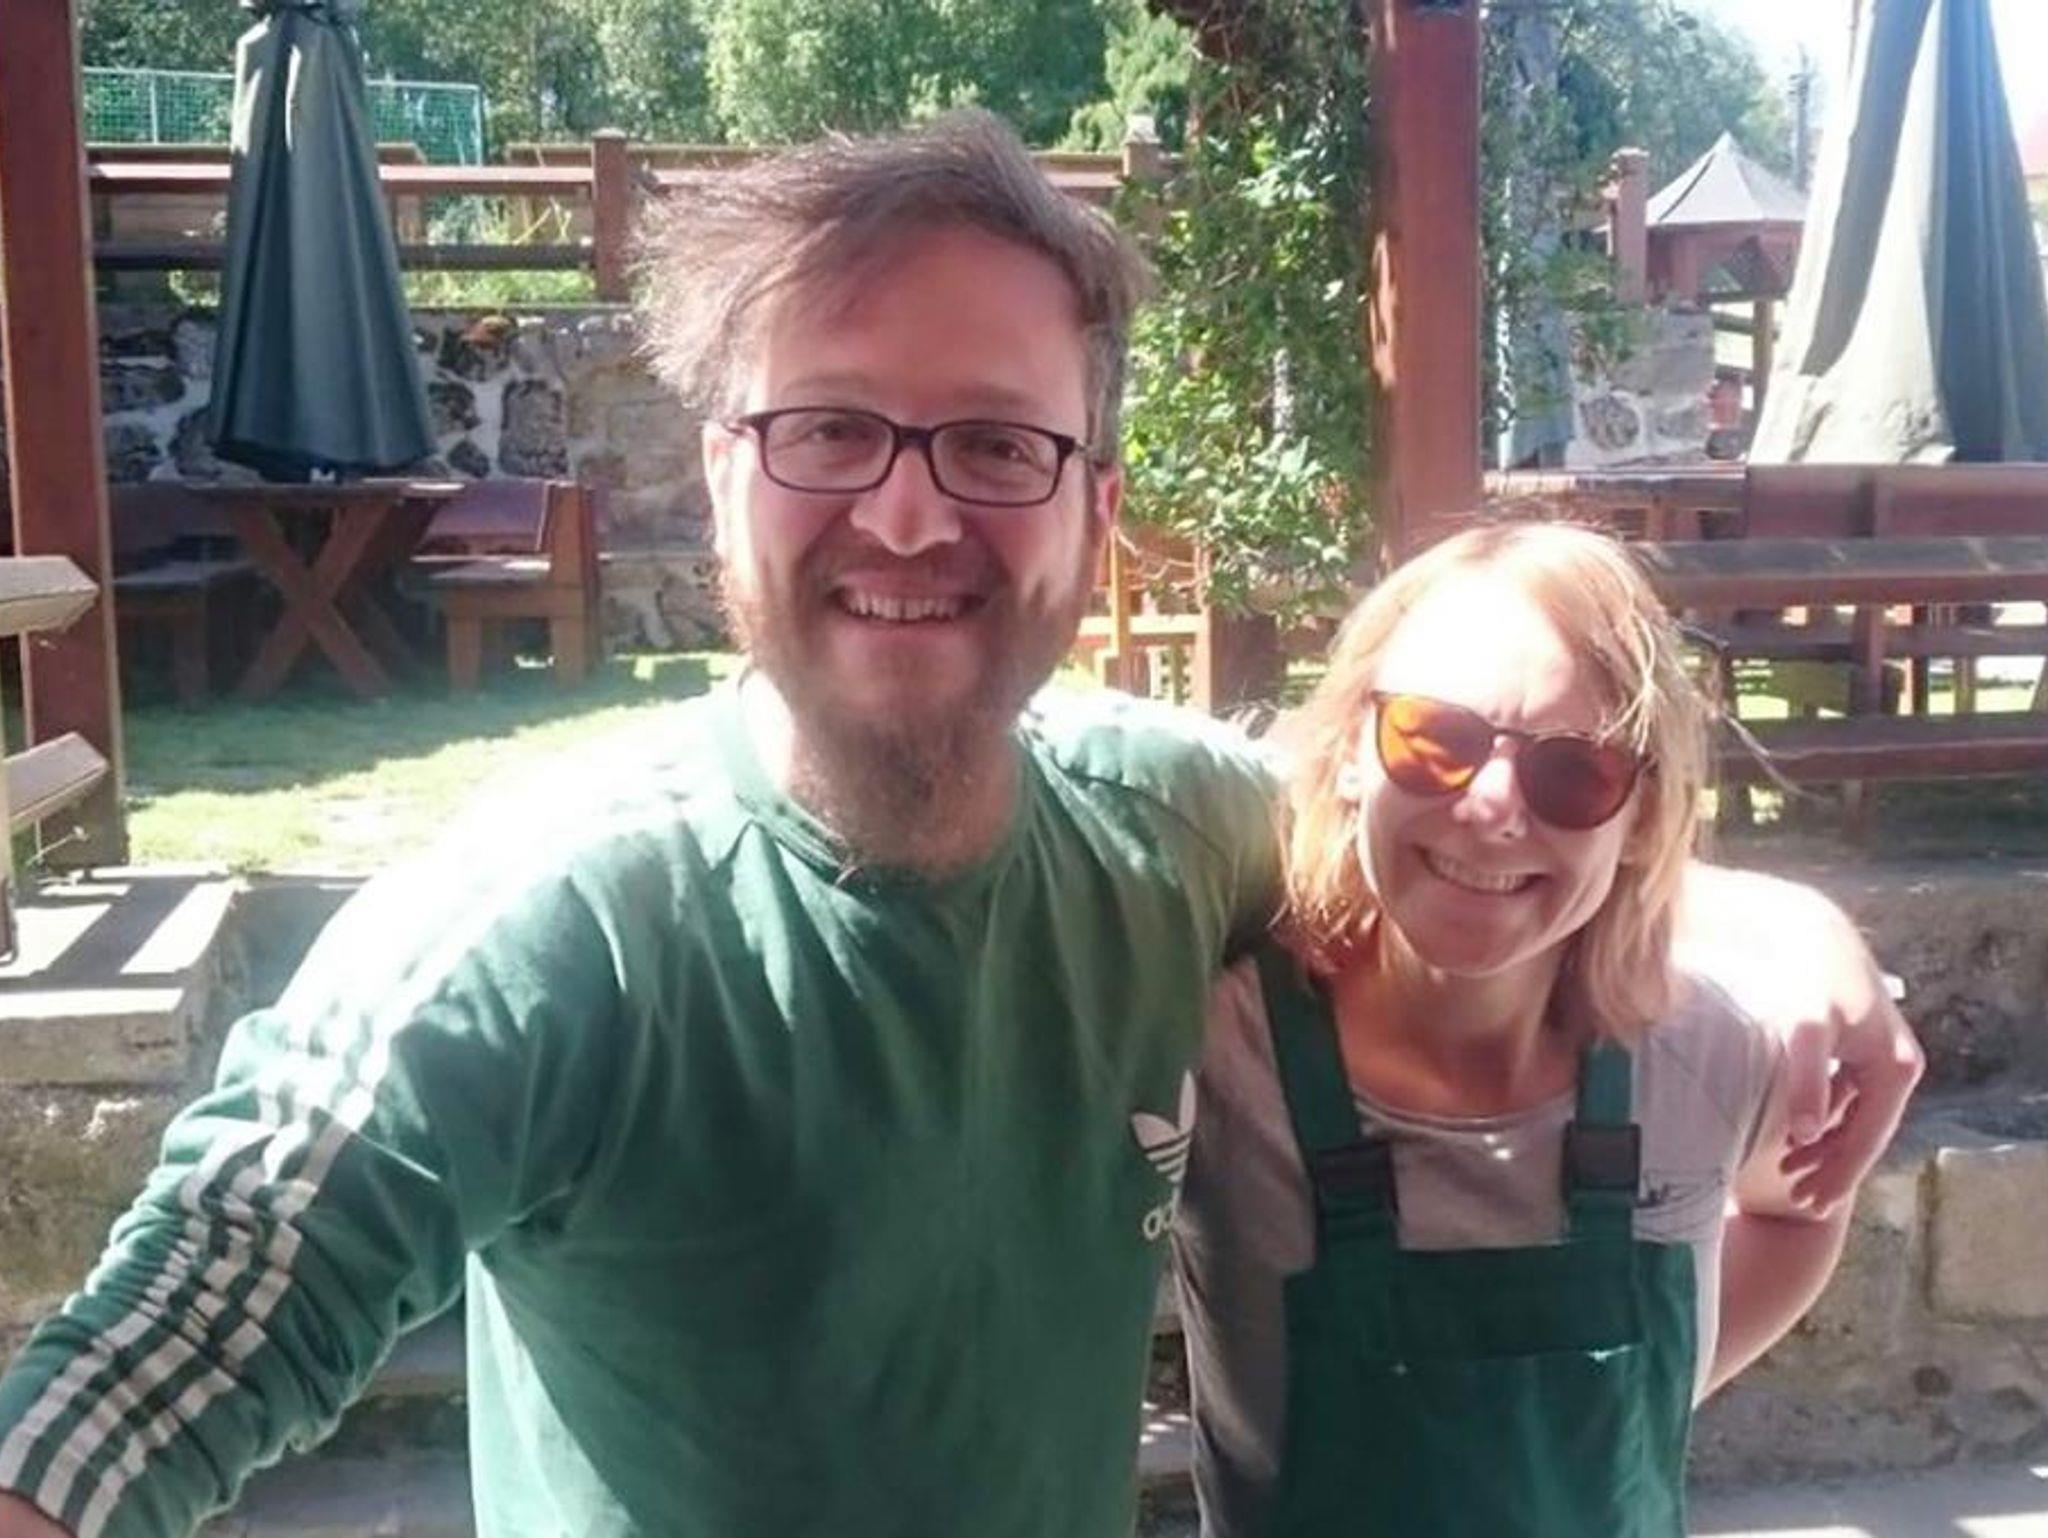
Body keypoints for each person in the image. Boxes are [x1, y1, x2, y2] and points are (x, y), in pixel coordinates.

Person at [0, 115, 1916, 1538]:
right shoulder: (553, 924)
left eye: (997, 443)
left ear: (1092, 506)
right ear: (719, 473)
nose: (909, 516)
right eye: (829, 427)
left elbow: (1448, 828)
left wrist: (1779, 926)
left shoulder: (1165, 831)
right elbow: (179, 1334)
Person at [1173, 521, 1909, 1538]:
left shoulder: (1705, 1055)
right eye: (1435, 738)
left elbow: (1798, 1209)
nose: (1491, 807)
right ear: (1348, 753)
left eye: (1574, 773)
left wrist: (1639, 1404)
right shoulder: (1218, 1058)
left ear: (1641, 815)